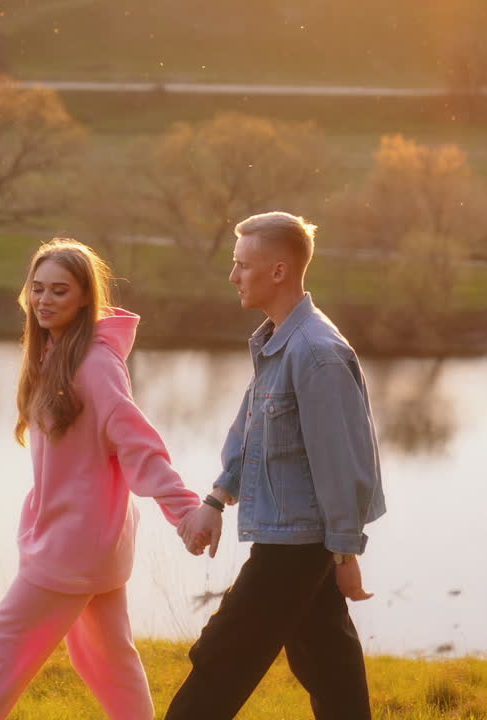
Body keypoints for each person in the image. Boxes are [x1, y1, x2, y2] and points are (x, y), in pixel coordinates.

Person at [0, 238, 204, 720]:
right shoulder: (56, 354)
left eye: (59, 291)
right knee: (108, 658)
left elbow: (138, 444)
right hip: (94, 539)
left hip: (75, 542)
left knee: (4, 640)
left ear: (87, 297)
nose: (45, 300)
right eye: (38, 289)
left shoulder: (94, 364)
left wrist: (185, 511)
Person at [171, 211, 387, 719]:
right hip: (290, 535)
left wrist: (344, 552)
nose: (232, 276)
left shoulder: (317, 353)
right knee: (329, 663)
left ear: (279, 271)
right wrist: (215, 500)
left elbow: (342, 462)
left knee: (220, 658)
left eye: (242, 265)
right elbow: (254, 434)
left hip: (298, 545)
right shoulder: (278, 341)